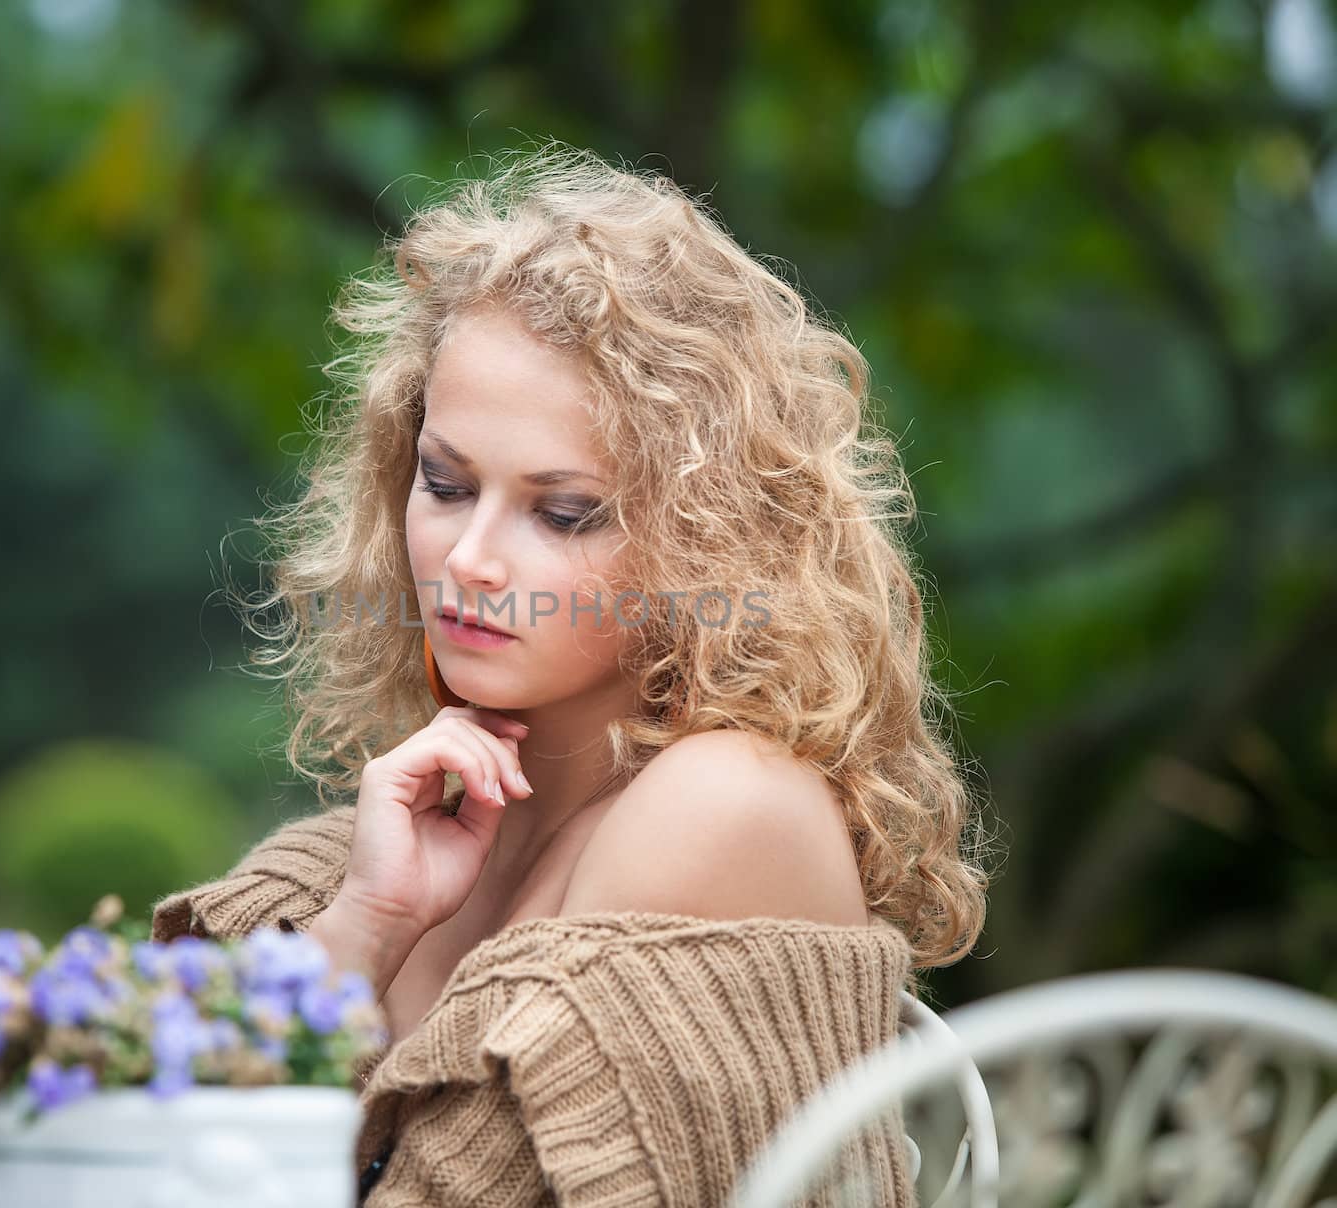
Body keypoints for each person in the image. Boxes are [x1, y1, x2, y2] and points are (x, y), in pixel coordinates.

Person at [151, 141, 990, 1206]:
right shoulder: (424, 816)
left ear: (708, 540)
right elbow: (130, 1152)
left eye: (563, 512)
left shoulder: (722, 804)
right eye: (446, 484)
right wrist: (365, 921)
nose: (470, 561)